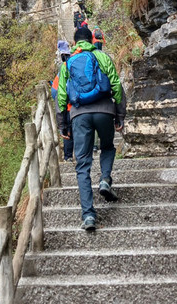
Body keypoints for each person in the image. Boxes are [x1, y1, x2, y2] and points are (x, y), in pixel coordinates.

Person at [56, 25, 126, 231]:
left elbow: (61, 97)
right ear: (92, 40)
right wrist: (119, 115)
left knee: (82, 165)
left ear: (75, 43)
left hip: (79, 115)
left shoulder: (67, 64)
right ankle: (105, 179)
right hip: (105, 111)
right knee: (107, 146)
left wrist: (63, 125)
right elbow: (116, 85)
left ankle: (88, 216)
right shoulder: (102, 57)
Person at [51, 40, 74, 161]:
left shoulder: (62, 69)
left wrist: (61, 124)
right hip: (81, 104)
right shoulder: (76, 63)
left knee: (68, 132)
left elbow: (55, 92)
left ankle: (68, 157)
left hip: (68, 107)